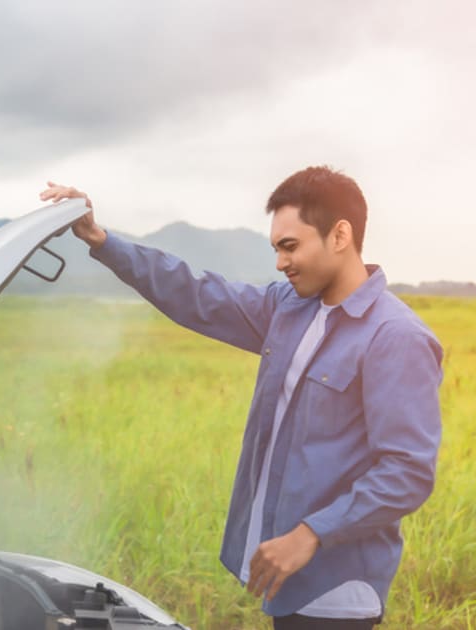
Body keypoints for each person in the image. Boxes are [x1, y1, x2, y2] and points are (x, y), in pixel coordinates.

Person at [39, 166, 442, 630]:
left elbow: (407, 471)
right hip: (287, 580)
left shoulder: (396, 337)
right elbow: (194, 293)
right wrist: (101, 239)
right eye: (276, 249)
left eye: (290, 246)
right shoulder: (287, 309)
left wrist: (311, 534)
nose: (281, 263)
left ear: (340, 235)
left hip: (336, 592)